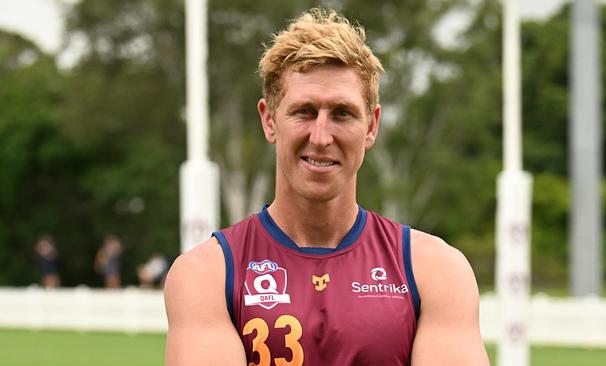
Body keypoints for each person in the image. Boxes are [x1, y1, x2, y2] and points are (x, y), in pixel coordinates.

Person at [165, 8, 489, 366]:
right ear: (269, 120)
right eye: (304, 111)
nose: (320, 137)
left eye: (342, 113)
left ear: (371, 125)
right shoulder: (208, 274)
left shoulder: (435, 271)